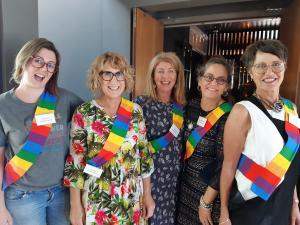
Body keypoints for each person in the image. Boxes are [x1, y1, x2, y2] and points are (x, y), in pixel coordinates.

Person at [64, 52, 155, 225]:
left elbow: (144, 157)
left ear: (125, 77)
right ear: (97, 78)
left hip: (131, 199)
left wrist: (148, 195)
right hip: (97, 199)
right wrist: (75, 206)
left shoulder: (135, 111)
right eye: (107, 74)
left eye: (119, 73)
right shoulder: (83, 113)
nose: (114, 80)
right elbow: (75, 162)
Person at [0, 38, 83, 225]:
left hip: (62, 192)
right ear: (24, 60)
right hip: (23, 196)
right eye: (38, 60)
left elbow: (93, 119)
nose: (44, 68)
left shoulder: (64, 99)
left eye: (50, 65)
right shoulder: (2, 106)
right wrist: (0, 207)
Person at [219, 39, 300, 225]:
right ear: (251, 72)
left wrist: (294, 202)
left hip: (282, 205)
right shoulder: (243, 111)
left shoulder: (291, 109)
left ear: (285, 67)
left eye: (276, 65)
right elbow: (228, 166)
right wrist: (224, 212)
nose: (269, 72)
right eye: (261, 66)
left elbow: (290, 163)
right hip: (251, 208)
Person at [176, 56, 232, 225]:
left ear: (226, 87)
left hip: (208, 195)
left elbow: (224, 163)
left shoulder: (229, 116)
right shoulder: (190, 106)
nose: (213, 83)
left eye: (220, 80)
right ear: (199, 80)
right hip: (184, 188)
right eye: (209, 77)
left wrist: (206, 202)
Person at [134, 52, 186, 225]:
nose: (166, 76)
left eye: (171, 71)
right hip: (150, 179)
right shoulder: (141, 104)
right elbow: (135, 146)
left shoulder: (180, 108)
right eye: (160, 71)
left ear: (177, 76)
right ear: (153, 75)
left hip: (174, 181)